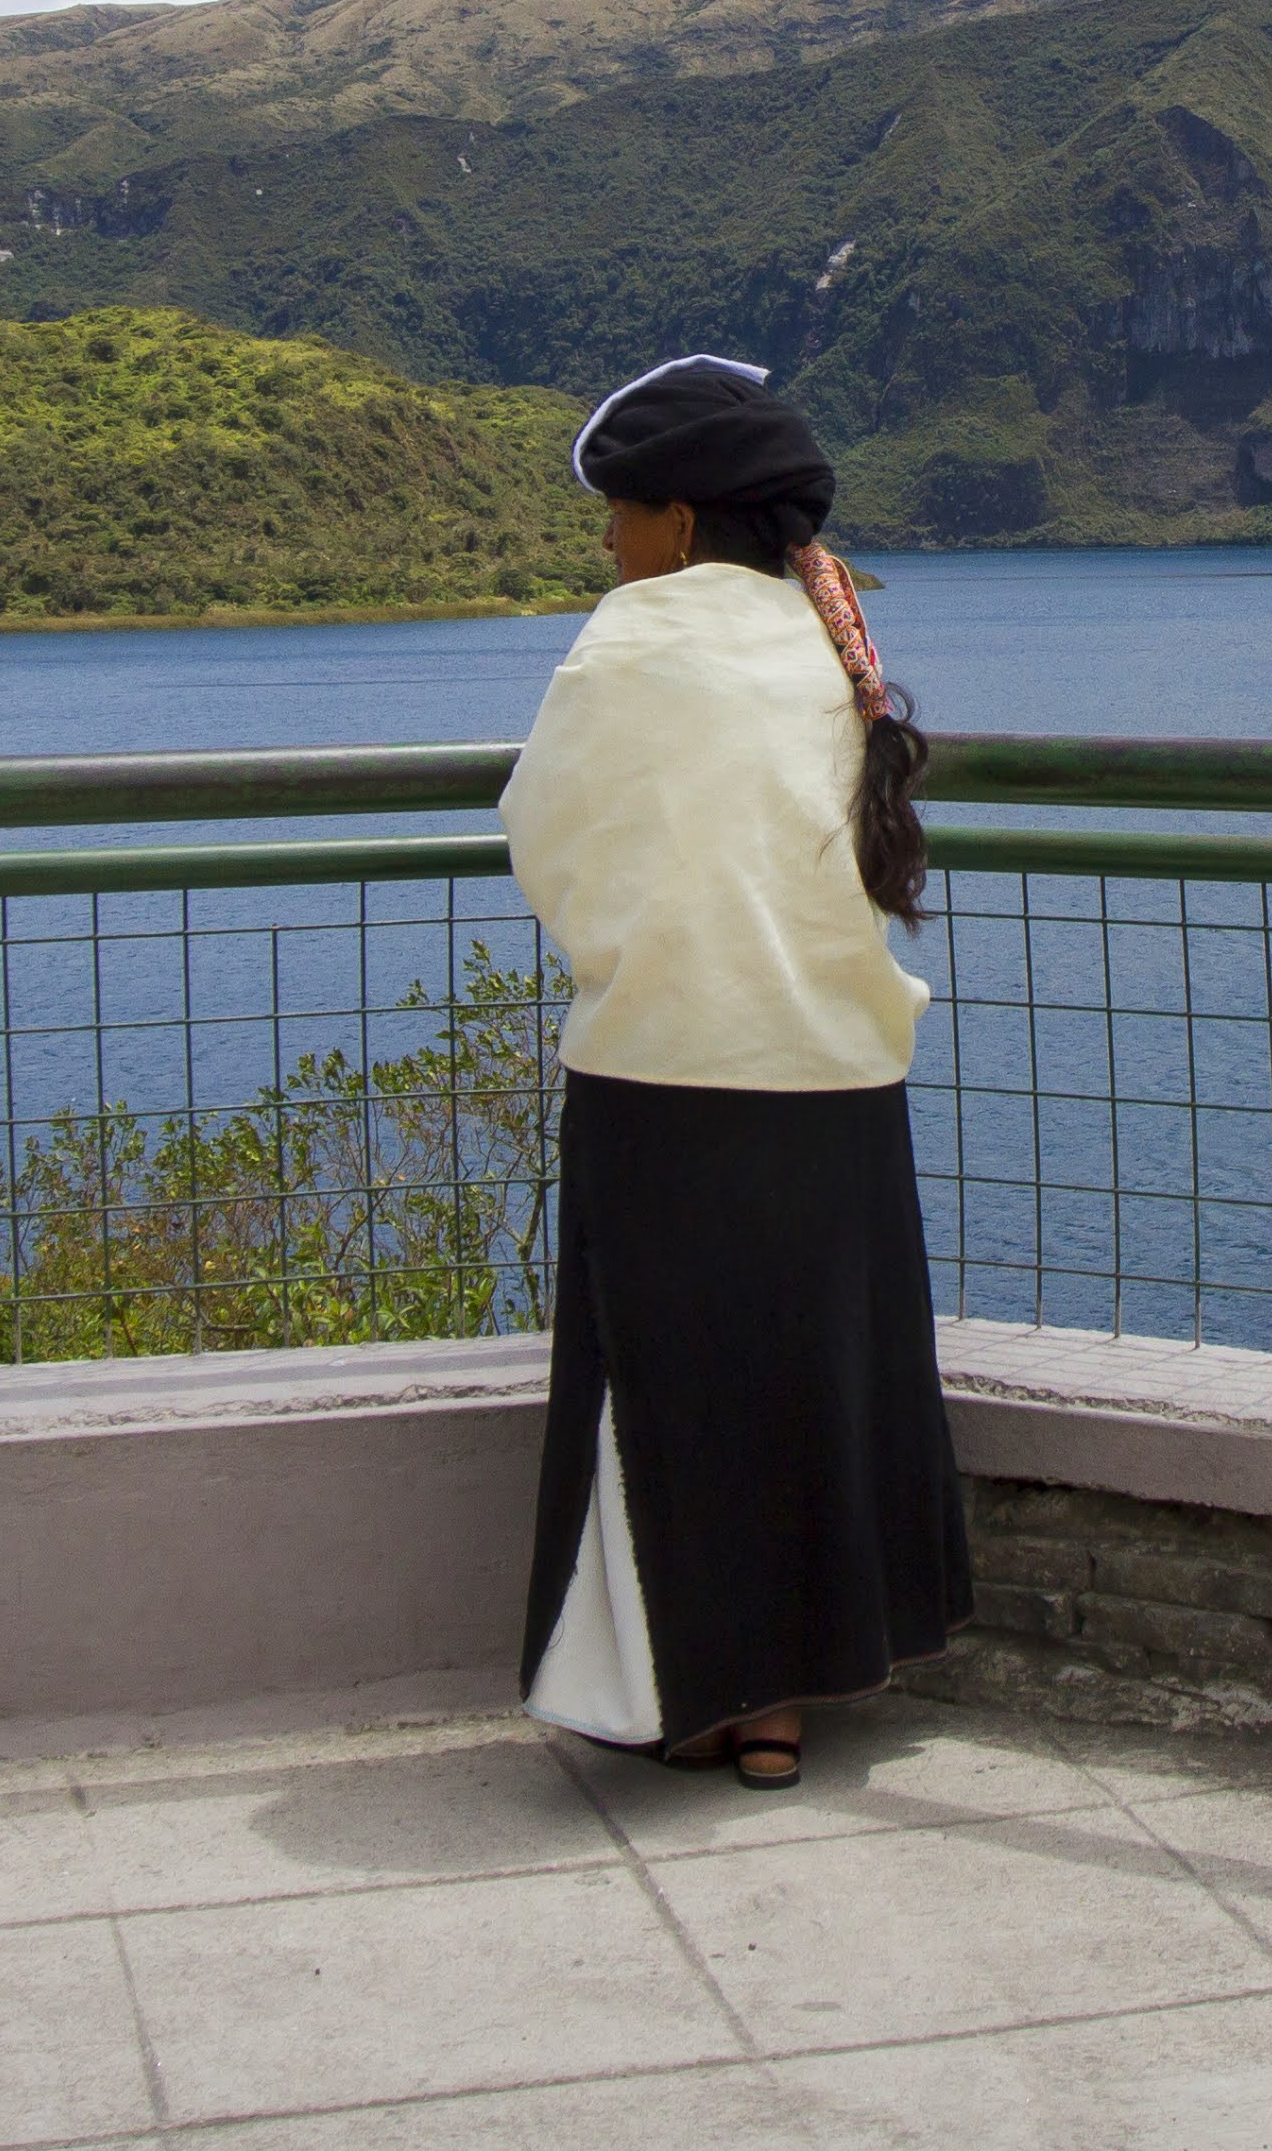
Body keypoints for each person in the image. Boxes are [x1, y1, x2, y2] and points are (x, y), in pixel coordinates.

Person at [500, 352, 966, 1790]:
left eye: (621, 510)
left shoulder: (629, 641)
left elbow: (550, 835)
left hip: (668, 1071)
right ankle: (790, 1695)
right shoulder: (826, 650)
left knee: (667, 1393)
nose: (609, 541)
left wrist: (622, 950)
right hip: (831, 1070)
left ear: (682, 520)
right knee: (814, 1377)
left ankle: (690, 1691)